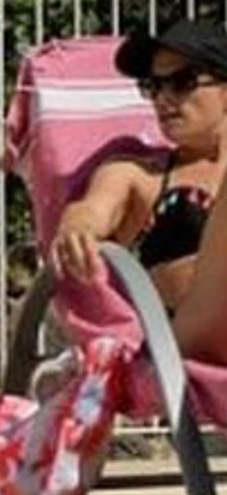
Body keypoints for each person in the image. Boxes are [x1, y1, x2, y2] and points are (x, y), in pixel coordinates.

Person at [53, 19, 227, 316]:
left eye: (182, 82)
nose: (162, 99)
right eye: (153, 86)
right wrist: (77, 226)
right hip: (182, 337)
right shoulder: (139, 176)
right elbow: (92, 211)